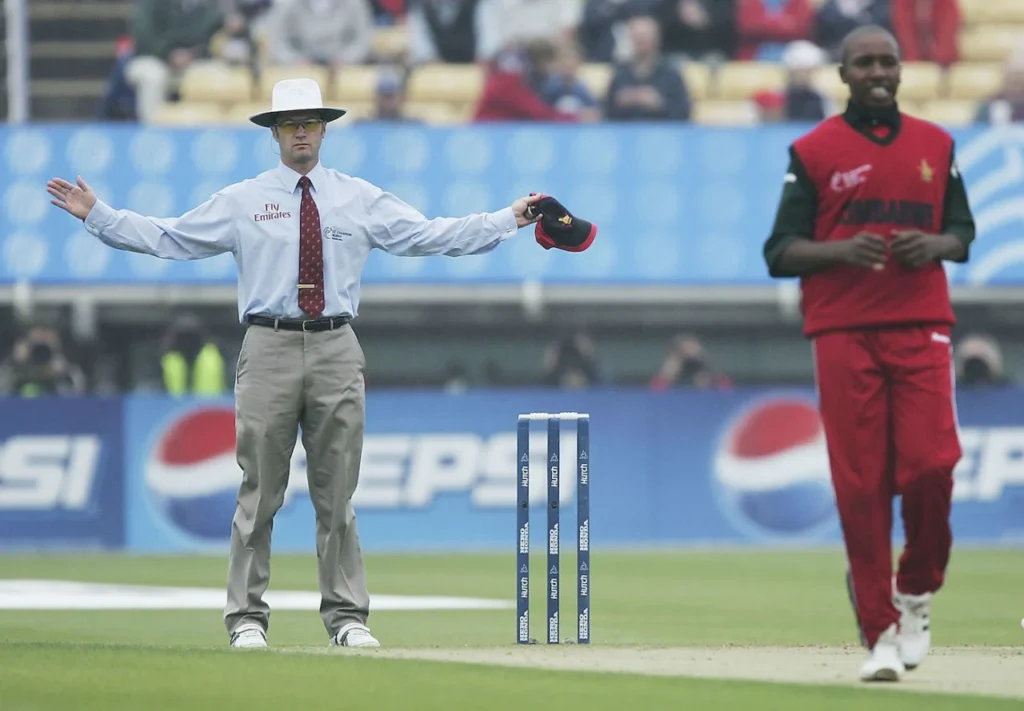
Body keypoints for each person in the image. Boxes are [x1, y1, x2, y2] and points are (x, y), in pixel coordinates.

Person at [46, 77, 544, 650]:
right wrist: (98, 215)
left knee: (337, 494)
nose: (301, 131)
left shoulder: (357, 197)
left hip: (336, 343)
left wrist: (508, 218)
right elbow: (170, 238)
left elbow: (431, 236)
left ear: (324, 129)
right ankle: (247, 619)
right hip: (268, 344)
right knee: (260, 492)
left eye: (310, 121)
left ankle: (348, 618)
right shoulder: (244, 200)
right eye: (290, 123)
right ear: (275, 133)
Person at [762, 26, 975, 682]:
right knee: (861, 486)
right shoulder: (814, 149)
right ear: (845, 74)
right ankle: (880, 631)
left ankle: (916, 587)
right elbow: (779, 251)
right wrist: (839, 251)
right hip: (844, 329)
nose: (878, 72)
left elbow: (962, 232)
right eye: (865, 63)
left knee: (932, 466)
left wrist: (934, 245)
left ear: (902, 69)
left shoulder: (937, 144)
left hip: (920, 324)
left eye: (888, 61)